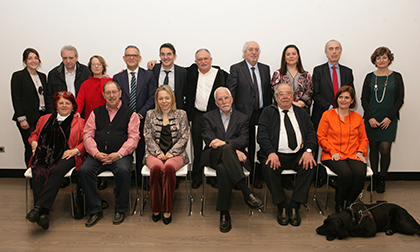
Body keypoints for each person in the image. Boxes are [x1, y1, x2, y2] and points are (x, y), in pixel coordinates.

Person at [79, 81, 140, 227]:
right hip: (98, 155)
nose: (111, 95)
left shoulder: (131, 114)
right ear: (104, 95)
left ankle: (120, 209)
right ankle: (94, 209)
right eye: (108, 92)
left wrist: (118, 154)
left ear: (120, 93)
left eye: (114, 92)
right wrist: (96, 153)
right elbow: (87, 135)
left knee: (124, 170)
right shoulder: (95, 112)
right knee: (84, 171)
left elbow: (134, 138)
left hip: (120, 155)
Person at [202, 87, 263, 233]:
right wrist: (232, 149)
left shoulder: (242, 118)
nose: (224, 101)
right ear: (216, 103)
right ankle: (246, 191)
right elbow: (209, 139)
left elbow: (244, 140)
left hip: (228, 161)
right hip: (214, 156)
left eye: (226, 98)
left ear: (232, 99)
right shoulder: (208, 117)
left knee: (224, 169)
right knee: (225, 153)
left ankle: (224, 213)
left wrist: (226, 146)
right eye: (220, 99)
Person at [257, 83, 317, 227]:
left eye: (288, 93)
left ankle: (295, 205)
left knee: (310, 166)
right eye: (281, 94)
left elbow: (311, 134)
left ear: (293, 96)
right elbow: (262, 136)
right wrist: (271, 152)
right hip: (275, 153)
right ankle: (282, 205)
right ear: (276, 97)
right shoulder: (267, 112)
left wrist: (308, 151)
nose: (285, 97)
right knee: (269, 168)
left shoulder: (301, 112)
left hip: (298, 154)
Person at [25, 91, 85, 230]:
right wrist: (33, 142)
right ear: (56, 105)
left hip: (67, 155)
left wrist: (75, 150)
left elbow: (86, 141)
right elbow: (33, 135)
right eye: (61, 103)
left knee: (56, 171)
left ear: (73, 106)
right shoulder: (44, 119)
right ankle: (43, 213)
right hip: (44, 155)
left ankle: (38, 208)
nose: (64, 106)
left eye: (67, 103)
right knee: (38, 170)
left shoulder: (80, 122)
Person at [226, 41, 272, 189]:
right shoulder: (236, 68)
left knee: (263, 144)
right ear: (244, 53)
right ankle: (245, 177)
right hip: (243, 114)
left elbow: (268, 92)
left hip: (262, 113)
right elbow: (230, 93)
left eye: (256, 50)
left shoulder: (265, 69)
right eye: (250, 50)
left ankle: (259, 176)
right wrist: (232, 115)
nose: (254, 52)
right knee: (248, 145)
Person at [318, 86, 369, 213]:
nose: (343, 100)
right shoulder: (327, 115)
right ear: (337, 99)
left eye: (347, 97)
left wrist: (360, 152)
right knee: (345, 174)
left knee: (359, 174)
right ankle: (339, 204)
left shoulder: (357, 117)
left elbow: (364, 139)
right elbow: (321, 137)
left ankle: (350, 203)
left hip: (353, 154)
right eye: (340, 97)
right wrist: (332, 151)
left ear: (352, 101)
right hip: (332, 154)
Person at [143, 85, 190, 225]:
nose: (164, 101)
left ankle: (168, 208)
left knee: (169, 168)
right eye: (161, 98)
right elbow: (147, 136)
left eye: (167, 98)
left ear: (172, 98)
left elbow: (184, 137)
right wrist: (158, 153)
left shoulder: (181, 114)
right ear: (157, 100)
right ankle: (156, 207)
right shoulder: (150, 114)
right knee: (156, 168)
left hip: (176, 154)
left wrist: (171, 153)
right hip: (153, 153)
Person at [311, 39, 354, 187]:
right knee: (321, 144)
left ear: (340, 52)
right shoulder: (318, 70)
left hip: (343, 117)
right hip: (323, 113)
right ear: (326, 52)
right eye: (331, 49)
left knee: (339, 143)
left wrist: (341, 109)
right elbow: (315, 94)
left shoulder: (347, 72)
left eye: (337, 49)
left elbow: (350, 94)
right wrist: (331, 108)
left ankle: (337, 175)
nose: (334, 52)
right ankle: (320, 176)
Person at [361, 46, 404, 193]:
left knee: (385, 150)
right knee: (372, 149)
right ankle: (373, 178)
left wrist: (389, 118)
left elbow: (399, 100)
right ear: (375, 60)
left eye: (384, 57)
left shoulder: (396, 77)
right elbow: (364, 99)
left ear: (389, 59)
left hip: (389, 120)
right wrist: (370, 117)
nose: (381, 60)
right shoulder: (369, 77)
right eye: (378, 58)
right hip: (372, 119)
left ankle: (382, 179)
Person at [113, 45, 157, 185]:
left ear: (139, 58)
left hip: (143, 120)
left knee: (142, 152)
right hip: (124, 121)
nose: (131, 58)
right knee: (123, 152)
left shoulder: (149, 75)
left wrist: (139, 115)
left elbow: (152, 98)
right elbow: (116, 100)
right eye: (128, 55)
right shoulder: (117, 77)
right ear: (124, 58)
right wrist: (129, 117)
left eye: (134, 55)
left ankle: (142, 182)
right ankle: (122, 183)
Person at [185, 49, 228, 189]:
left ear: (211, 59)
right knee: (197, 147)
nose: (203, 61)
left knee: (214, 146)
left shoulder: (221, 74)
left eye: (206, 58)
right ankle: (196, 176)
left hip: (215, 115)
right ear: (195, 62)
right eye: (200, 59)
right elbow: (175, 69)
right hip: (197, 114)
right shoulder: (191, 72)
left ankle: (214, 177)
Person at [11, 48, 47, 167]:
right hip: (27, 119)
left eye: (35, 58)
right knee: (31, 146)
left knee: (43, 147)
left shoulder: (42, 76)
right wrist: (22, 118)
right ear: (25, 61)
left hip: (41, 117)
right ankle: (32, 174)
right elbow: (16, 98)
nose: (33, 61)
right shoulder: (18, 76)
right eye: (30, 58)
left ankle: (42, 173)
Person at [45, 45, 90, 113]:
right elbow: (49, 97)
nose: (68, 61)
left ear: (76, 58)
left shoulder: (86, 71)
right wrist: (52, 114)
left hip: (81, 113)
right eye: (65, 58)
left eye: (71, 58)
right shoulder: (53, 74)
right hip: (60, 113)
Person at [271, 44, 313, 114]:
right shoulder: (278, 74)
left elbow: (309, 91)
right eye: (288, 54)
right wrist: (291, 103)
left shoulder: (306, 75)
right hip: (283, 111)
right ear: (284, 57)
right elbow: (274, 91)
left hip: (302, 111)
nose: (291, 56)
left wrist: (301, 103)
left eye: (294, 54)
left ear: (298, 56)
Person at [151, 43, 187, 110]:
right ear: (160, 56)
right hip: (157, 110)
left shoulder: (182, 72)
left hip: (176, 111)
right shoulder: (154, 69)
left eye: (169, 54)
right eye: (163, 54)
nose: (165, 57)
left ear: (174, 56)